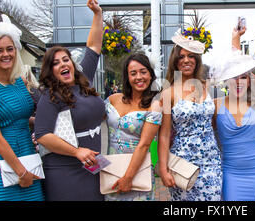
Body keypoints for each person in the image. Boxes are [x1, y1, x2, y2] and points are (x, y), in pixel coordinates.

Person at [33, 0, 104, 201]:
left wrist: (98, 15)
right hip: (65, 170)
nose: (63, 64)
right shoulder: (50, 95)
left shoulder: (84, 78)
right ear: (50, 70)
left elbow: (94, 46)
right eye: (56, 63)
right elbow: (43, 135)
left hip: (91, 166)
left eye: (65, 59)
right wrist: (76, 152)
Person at [0, 14, 44, 200]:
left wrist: (49, 124)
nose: (6, 54)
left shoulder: (21, 82)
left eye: (10, 49)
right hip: (3, 158)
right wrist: (21, 172)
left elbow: (23, 119)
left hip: (27, 151)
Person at [157, 30, 222, 201]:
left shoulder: (206, 86)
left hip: (211, 161)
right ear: (175, 61)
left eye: (191, 56)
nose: (186, 60)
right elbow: (163, 135)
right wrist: (163, 169)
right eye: (182, 56)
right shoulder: (168, 93)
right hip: (182, 163)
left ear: (197, 60)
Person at [210, 27, 255, 201]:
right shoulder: (215, 106)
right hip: (230, 174)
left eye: (243, 77)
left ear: (249, 81)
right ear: (226, 81)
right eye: (234, 77)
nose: (239, 81)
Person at [104, 53, 162, 201]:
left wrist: (128, 177)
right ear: (127, 77)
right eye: (133, 73)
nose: (139, 77)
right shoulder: (113, 99)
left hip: (137, 173)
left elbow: (144, 144)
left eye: (143, 72)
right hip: (111, 170)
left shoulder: (154, 105)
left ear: (150, 75)